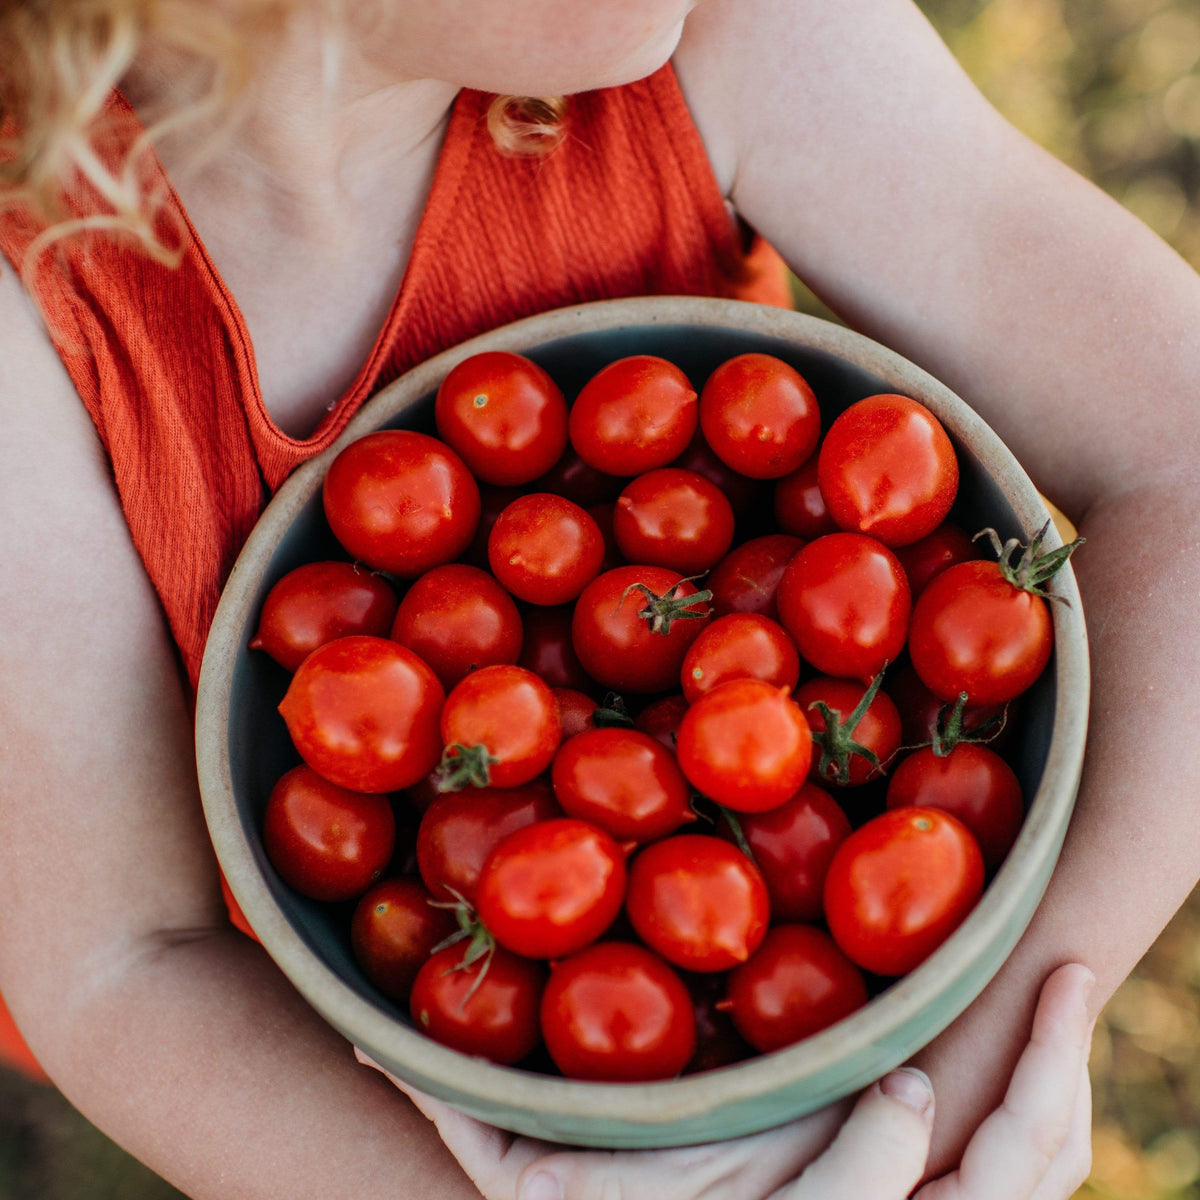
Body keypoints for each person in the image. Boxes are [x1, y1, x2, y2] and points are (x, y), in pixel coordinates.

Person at [0, 0, 1195, 1196]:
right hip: (300, 1010)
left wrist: (950, 1090)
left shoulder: (743, 33)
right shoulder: (32, 320)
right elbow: (118, 967)